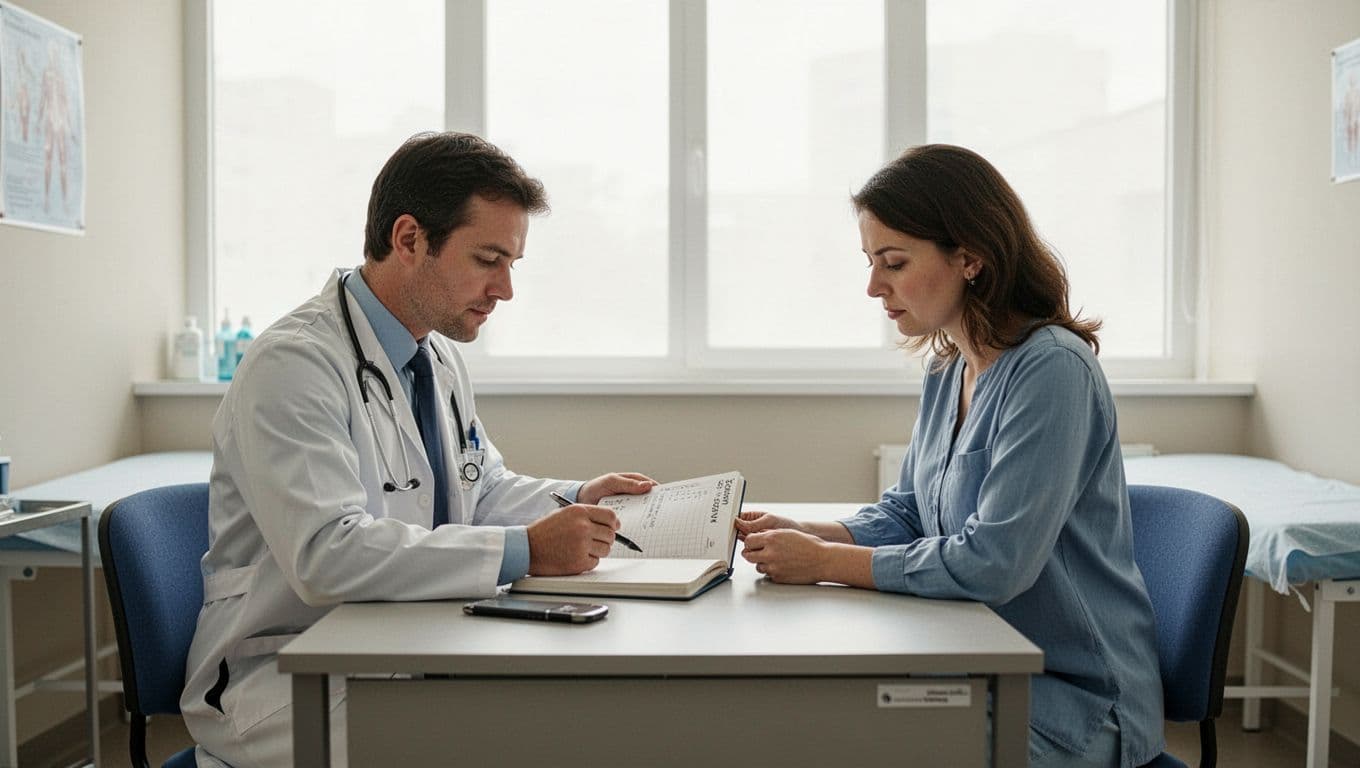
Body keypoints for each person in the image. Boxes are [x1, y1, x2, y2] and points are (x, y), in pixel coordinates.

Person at [181, 132, 656, 767]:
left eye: (512, 263)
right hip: (290, 668)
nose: (505, 289)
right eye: (488, 259)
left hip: (407, 637)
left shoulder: (434, 356)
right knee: (516, 740)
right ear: (409, 240)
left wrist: (573, 498)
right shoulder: (294, 363)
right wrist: (529, 549)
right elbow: (328, 553)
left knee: (577, 707)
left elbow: (478, 486)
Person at [737, 144, 1164, 768]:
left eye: (894, 262)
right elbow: (911, 511)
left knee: (840, 741)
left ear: (969, 257)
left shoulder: (1052, 371)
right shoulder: (949, 367)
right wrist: (807, 532)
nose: (873, 287)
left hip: (1074, 701)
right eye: (870, 262)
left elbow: (995, 563)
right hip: (976, 659)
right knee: (808, 719)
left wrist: (827, 560)